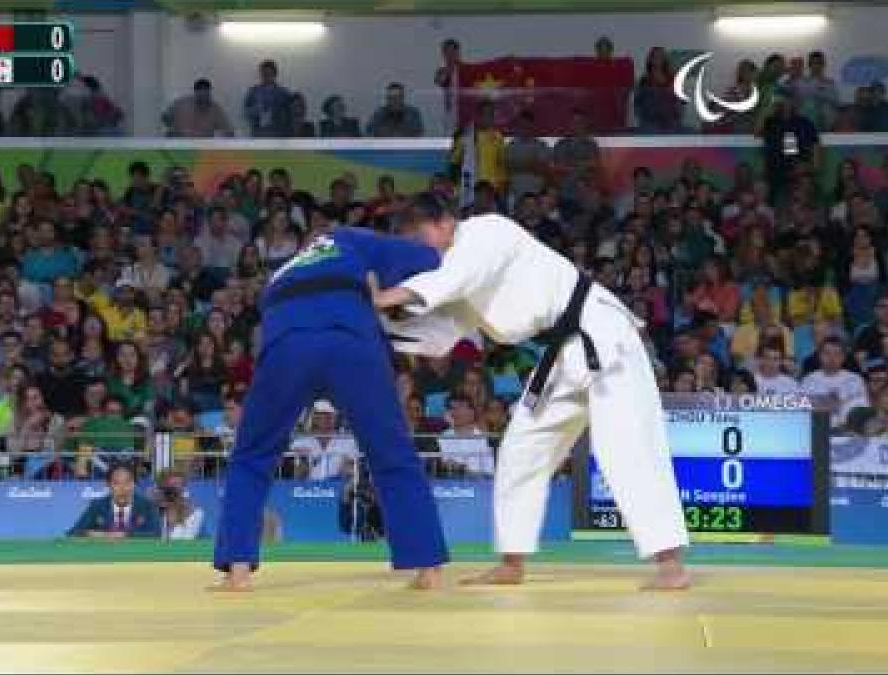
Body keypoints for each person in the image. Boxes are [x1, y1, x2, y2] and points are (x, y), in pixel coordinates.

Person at [374, 193, 689, 590]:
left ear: (444, 222)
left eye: (420, 239)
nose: (420, 251)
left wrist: (384, 297)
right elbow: (439, 333)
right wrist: (376, 325)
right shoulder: (463, 278)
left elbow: (447, 281)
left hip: (603, 338)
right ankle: (512, 561)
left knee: (626, 447)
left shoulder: (486, 233)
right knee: (522, 447)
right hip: (562, 355)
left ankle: (670, 564)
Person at [212, 226, 450, 592]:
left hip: (287, 346)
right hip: (349, 341)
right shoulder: (348, 239)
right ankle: (427, 566)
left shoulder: (281, 273)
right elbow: (428, 258)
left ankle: (237, 569)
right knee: (392, 453)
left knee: (251, 456)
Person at [68, 464, 161, 538]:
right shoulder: (97, 506)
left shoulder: (147, 506)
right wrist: (89, 534)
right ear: (108, 485)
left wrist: (125, 535)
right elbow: (72, 533)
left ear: (134, 484)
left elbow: (156, 534)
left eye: (127, 482)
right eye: (116, 483)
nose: (123, 488)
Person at [163, 78, 235, 138]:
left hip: (203, 147)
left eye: (206, 93)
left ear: (209, 92)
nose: (203, 96)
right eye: (200, 92)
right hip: (179, 144)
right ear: (195, 92)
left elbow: (229, 131)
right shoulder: (181, 103)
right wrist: (173, 129)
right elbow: (165, 117)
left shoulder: (215, 109)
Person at [154, 469, 205, 540]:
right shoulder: (154, 513)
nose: (174, 492)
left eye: (180, 486)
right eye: (169, 488)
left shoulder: (196, 513)